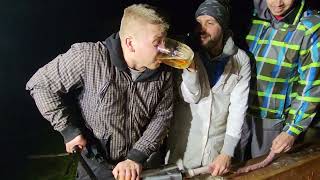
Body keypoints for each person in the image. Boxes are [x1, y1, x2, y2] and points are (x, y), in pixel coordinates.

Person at [26, 4, 173, 180]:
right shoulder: (89, 57)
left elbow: (162, 116)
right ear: (130, 43)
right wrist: (68, 130)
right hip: (96, 165)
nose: (165, 49)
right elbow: (40, 84)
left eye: (165, 40)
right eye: (157, 43)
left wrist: (137, 156)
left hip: (141, 164)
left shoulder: (163, 72)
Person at [166, 0, 251, 176]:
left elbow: (238, 109)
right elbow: (191, 96)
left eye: (210, 23)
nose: (202, 29)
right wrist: (190, 68)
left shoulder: (241, 60)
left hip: (216, 153)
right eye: (199, 23)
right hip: (184, 148)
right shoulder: (185, 54)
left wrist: (227, 152)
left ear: (223, 26)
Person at [237, 0, 320, 160]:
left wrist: (292, 130)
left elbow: (312, 85)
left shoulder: (310, 27)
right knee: (229, 166)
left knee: (266, 169)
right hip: (239, 111)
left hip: (272, 118)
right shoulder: (253, 17)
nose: (277, 3)